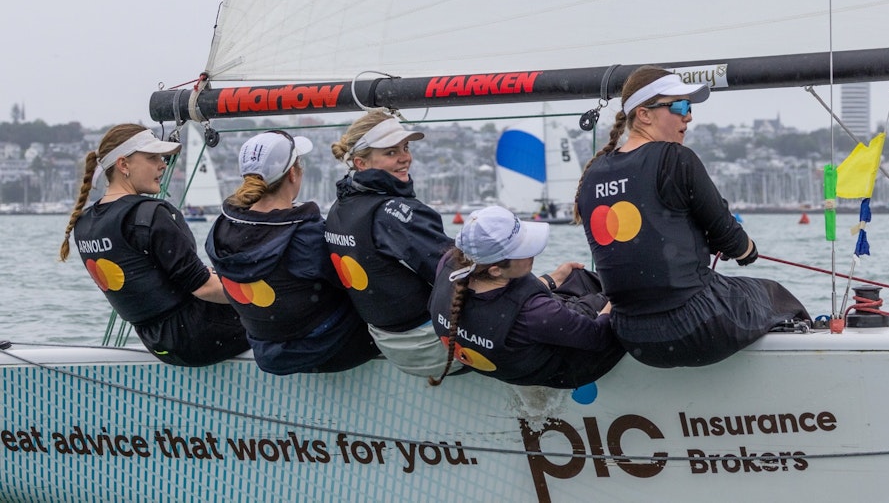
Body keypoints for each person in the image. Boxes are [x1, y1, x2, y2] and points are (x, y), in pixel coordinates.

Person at [575, 66, 810, 368]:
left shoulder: (592, 174)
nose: (689, 116)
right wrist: (747, 250)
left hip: (634, 338)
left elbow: (648, 237)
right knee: (778, 297)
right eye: (681, 107)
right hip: (695, 325)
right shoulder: (676, 158)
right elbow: (732, 240)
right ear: (644, 114)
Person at [58, 123, 249, 366]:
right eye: (152, 157)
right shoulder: (151, 214)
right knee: (291, 309)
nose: (163, 164)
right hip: (197, 336)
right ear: (123, 165)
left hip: (158, 344)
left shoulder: (84, 223)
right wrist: (271, 300)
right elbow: (202, 288)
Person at [206, 130, 380, 375]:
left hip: (268, 352)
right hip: (328, 350)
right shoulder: (307, 236)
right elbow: (360, 283)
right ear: (292, 174)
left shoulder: (221, 229)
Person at [427, 206, 625, 388]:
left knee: (576, 277)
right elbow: (598, 336)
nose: (532, 254)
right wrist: (620, 292)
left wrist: (553, 278)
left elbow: (499, 300)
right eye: (524, 251)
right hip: (562, 369)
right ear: (495, 270)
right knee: (610, 291)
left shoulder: (452, 262)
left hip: (513, 356)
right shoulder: (535, 312)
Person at [324, 112, 455, 377]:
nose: (405, 157)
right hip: (434, 349)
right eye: (391, 152)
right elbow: (461, 275)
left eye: (405, 148)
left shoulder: (339, 208)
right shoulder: (395, 214)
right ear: (361, 163)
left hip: (391, 345)